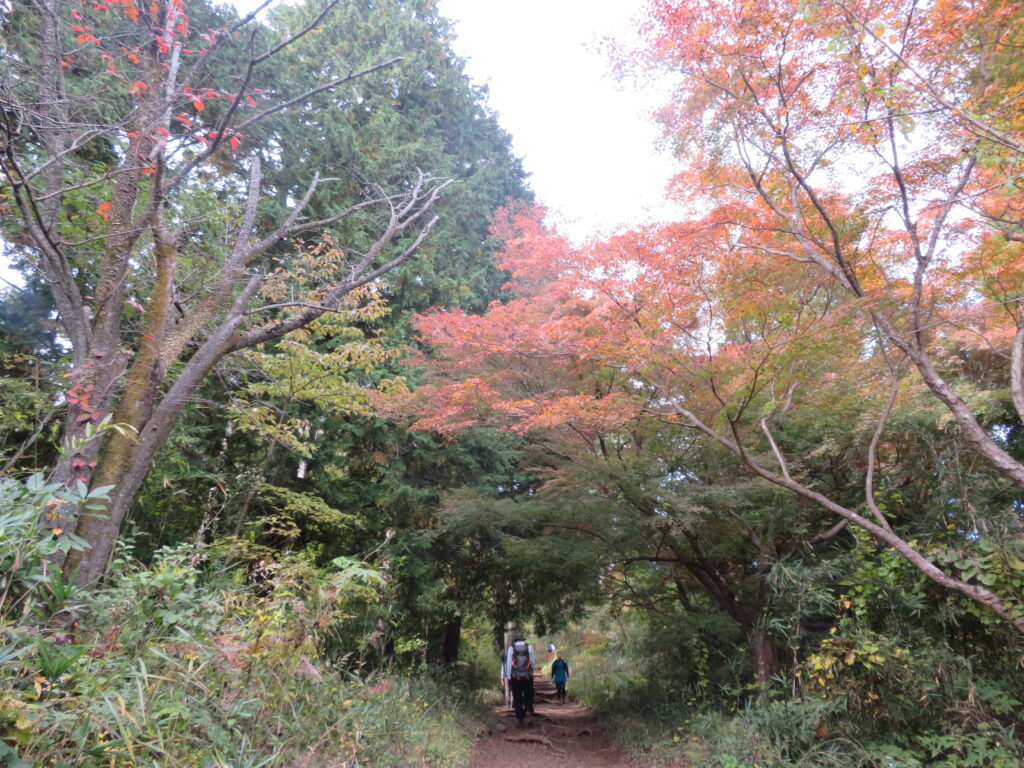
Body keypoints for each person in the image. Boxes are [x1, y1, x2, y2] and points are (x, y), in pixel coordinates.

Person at [504, 633, 535, 727]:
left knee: (517, 698)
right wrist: (530, 673)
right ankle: (528, 710)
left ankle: (520, 720)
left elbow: (509, 664)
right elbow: (532, 662)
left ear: (514, 640)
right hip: (527, 677)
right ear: (522, 639)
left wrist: (509, 677)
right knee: (528, 695)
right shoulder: (529, 647)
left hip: (515, 677)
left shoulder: (511, 648)